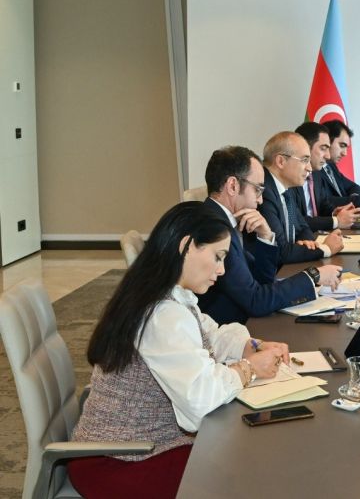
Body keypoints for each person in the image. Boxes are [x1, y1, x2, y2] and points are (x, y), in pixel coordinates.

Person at [68, 202, 290, 498]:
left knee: (248, 458)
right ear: (187, 246)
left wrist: (249, 347)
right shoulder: (163, 314)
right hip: (119, 462)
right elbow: (199, 404)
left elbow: (209, 335)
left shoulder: (164, 294)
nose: (222, 270)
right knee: (247, 473)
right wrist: (247, 369)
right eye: (217, 257)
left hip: (135, 449)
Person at [197, 146, 341, 324]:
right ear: (233, 186)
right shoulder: (214, 230)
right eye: (258, 190)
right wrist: (313, 275)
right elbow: (256, 301)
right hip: (227, 329)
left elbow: (262, 282)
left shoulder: (233, 219)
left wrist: (265, 236)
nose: (260, 200)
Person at [260, 131, 344, 264]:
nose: (309, 168)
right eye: (305, 160)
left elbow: (302, 227)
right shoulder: (264, 193)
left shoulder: (285, 187)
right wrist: (326, 248)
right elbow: (281, 251)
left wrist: (307, 243)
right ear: (281, 161)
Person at [294, 121, 360, 230]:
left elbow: (323, 204)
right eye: (323, 148)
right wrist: (335, 221)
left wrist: (335, 212)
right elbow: (295, 221)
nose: (328, 156)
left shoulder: (316, 174)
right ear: (305, 147)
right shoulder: (291, 177)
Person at [317, 120, 360, 212]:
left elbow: (353, 186)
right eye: (342, 145)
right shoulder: (315, 169)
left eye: (346, 147)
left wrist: (356, 199)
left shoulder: (330, 166)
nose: (345, 153)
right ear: (328, 141)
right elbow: (326, 202)